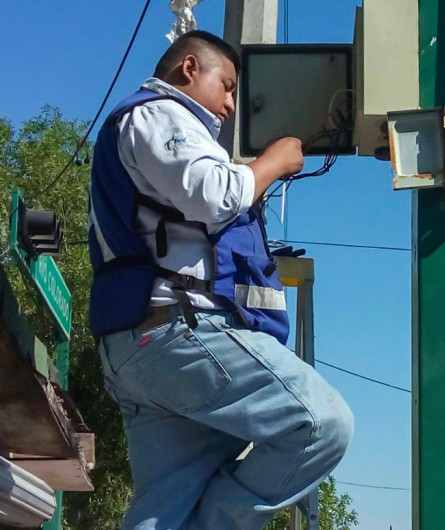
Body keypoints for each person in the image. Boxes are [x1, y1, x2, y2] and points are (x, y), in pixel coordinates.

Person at [87, 30, 353, 530]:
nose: (231, 103)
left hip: (141, 344)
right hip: (179, 333)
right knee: (321, 423)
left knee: (164, 513)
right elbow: (214, 195)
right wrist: (272, 162)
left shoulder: (150, 132)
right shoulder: (160, 113)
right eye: (227, 85)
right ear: (189, 68)